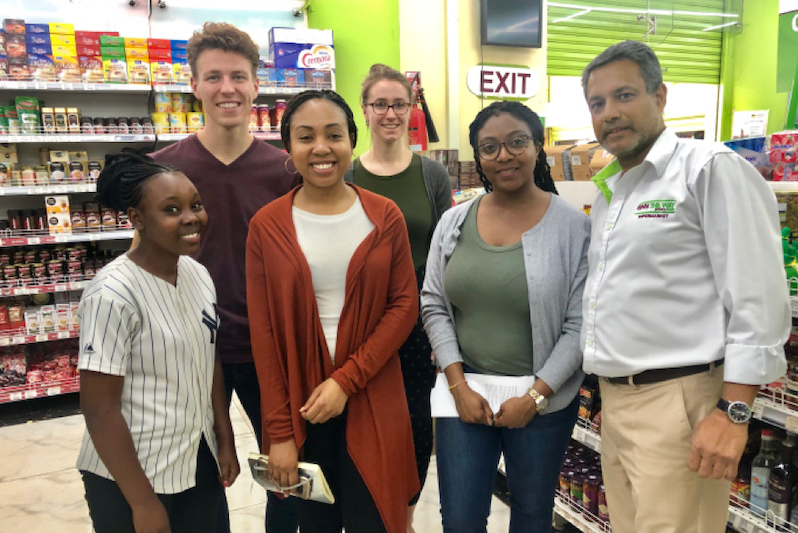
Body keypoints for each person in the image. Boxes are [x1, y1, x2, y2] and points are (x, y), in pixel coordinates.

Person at [580, 40, 790, 533]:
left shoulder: (709, 169)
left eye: (624, 95)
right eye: (598, 103)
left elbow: (758, 296)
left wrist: (733, 412)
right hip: (619, 402)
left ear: (660, 95)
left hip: (683, 402)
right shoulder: (613, 190)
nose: (610, 113)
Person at [246, 89, 420, 533]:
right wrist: (280, 433)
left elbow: (403, 306)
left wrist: (345, 380)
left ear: (351, 141)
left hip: (373, 392)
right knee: (317, 523)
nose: (321, 148)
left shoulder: (385, 216)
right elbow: (264, 337)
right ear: (289, 148)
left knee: (377, 517)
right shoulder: (267, 225)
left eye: (333, 135)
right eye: (305, 137)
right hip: (304, 404)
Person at [149, 22, 299, 533]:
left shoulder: (287, 170)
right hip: (187, 350)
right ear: (192, 85)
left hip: (270, 347)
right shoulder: (161, 171)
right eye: (213, 77)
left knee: (289, 471)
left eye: (238, 76)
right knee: (196, 476)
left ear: (257, 85)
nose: (227, 88)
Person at [421, 100, 590, 533]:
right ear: (478, 157)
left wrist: (535, 397)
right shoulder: (455, 221)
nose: (504, 156)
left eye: (517, 142)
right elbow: (435, 303)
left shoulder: (574, 228)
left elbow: (581, 323)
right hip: (466, 395)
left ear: (537, 146)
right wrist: (457, 385)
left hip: (544, 402)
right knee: (459, 518)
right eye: (490, 147)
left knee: (532, 516)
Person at [76, 152, 240, 533]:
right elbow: (99, 410)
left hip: (195, 457)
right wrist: (143, 503)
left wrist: (224, 439)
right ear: (137, 219)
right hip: (131, 475)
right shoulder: (112, 295)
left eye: (195, 205)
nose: (191, 217)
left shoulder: (198, 274)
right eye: (171, 209)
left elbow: (208, 359)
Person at [344, 63, 451, 532]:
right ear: (365, 111)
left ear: (412, 110)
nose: (390, 113)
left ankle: (403, 517)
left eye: (399, 104)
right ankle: (368, 511)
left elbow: (448, 251)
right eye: (380, 104)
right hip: (360, 321)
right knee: (364, 419)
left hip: (417, 324)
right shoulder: (344, 174)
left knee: (413, 422)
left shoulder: (432, 175)